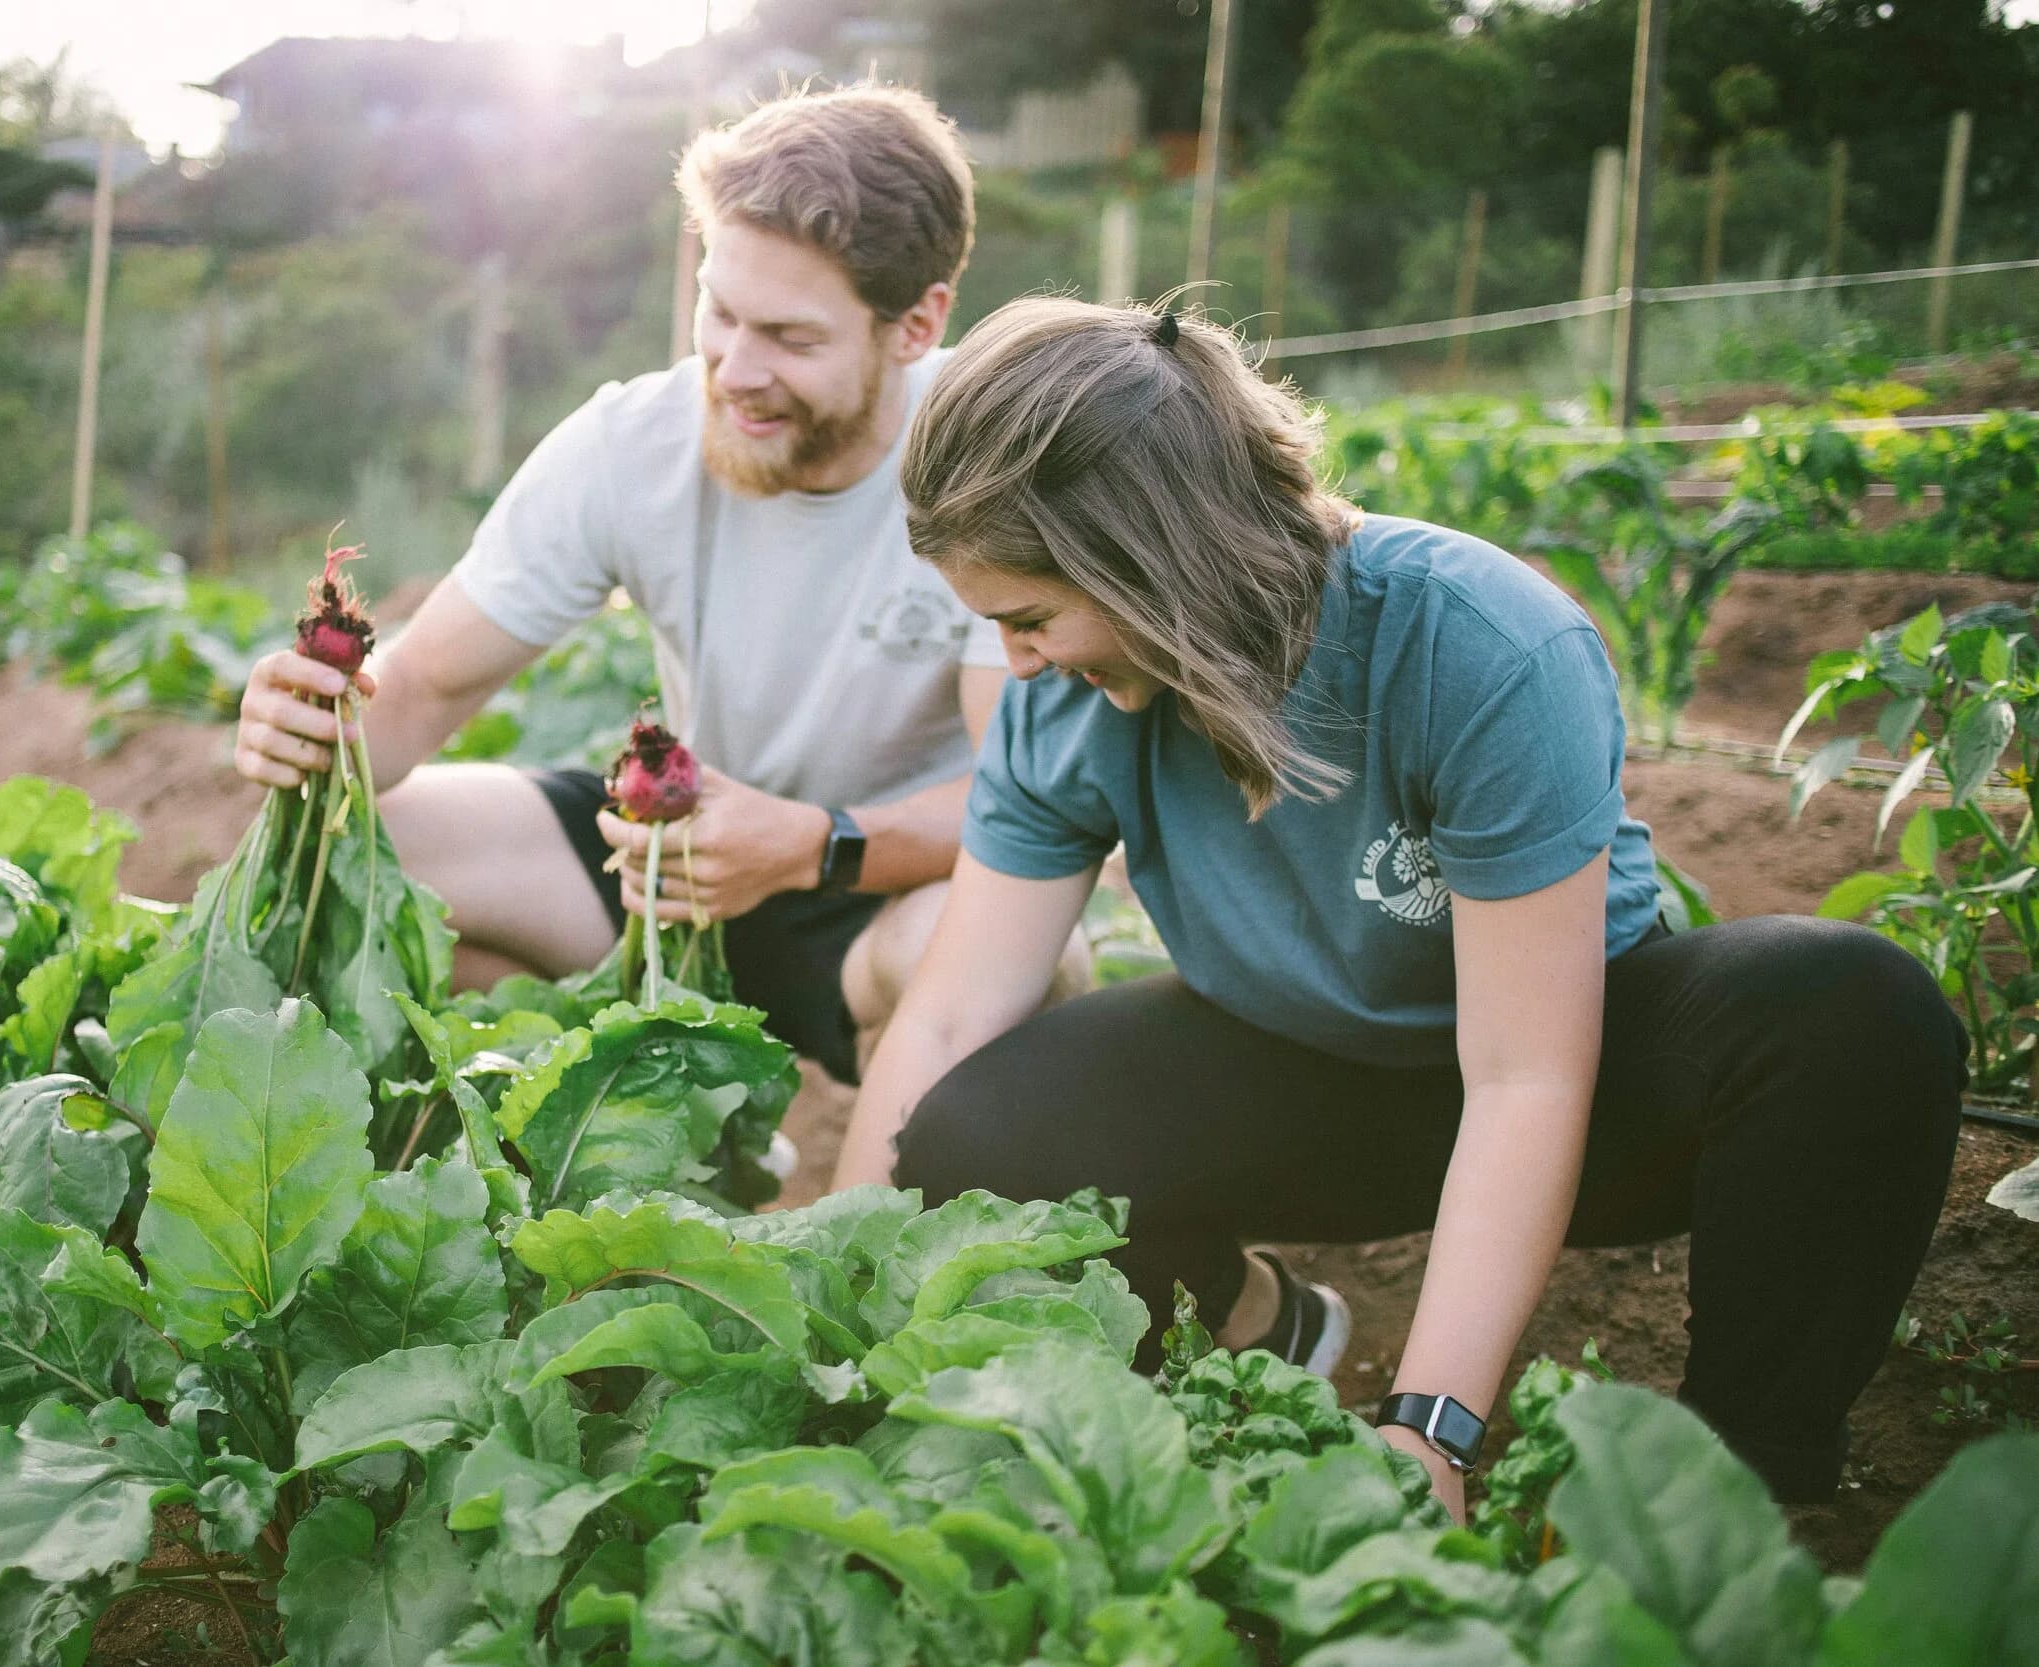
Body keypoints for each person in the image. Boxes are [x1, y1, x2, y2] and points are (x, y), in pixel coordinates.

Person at [830, 294, 1966, 1519]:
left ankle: (1740, 1495)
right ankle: (1258, 1335)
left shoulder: (1473, 642)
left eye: (1029, 617)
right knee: (972, 1134)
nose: (1018, 664)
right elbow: (946, 1017)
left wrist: (1429, 1428)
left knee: (1851, 1013)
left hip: (1570, 1080)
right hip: (1301, 1072)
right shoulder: (1066, 707)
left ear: (1145, 564)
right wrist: (826, 1299)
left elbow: (1528, 1073)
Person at [232, 84, 1081, 1087]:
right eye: (717, 312)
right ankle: (635, 1133)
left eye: (790, 338)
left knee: (1040, 968)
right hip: (674, 856)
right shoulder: (630, 443)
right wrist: (306, 729)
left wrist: (814, 845)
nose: (733, 367)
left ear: (915, 323)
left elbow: (1025, 795)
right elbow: (422, 689)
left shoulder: (990, 467)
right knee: (354, 857)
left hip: (876, 882)